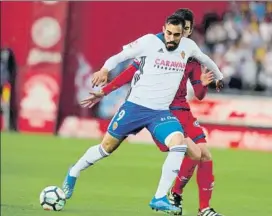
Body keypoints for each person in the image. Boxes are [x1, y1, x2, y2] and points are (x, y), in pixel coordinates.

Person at [63, 14, 223, 215]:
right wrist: (105, 70)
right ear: (163, 28)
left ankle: (160, 197)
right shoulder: (148, 42)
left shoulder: (188, 47)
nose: (172, 38)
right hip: (134, 108)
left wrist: (219, 77)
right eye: (169, 33)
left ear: (183, 33)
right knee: (105, 149)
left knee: (179, 144)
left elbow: (207, 59)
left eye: (176, 35)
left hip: (161, 113)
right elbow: (119, 57)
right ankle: (73, 172)